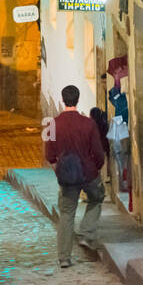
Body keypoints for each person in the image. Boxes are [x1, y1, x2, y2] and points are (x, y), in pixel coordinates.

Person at [44, 84, 106, 267]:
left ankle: (64, 257)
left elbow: (49, 154)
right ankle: (87, 233)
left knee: (67, 212)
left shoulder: (54, 124)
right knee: (97, 197)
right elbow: (98, 151)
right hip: (88, 172)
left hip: (67, 174)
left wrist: (59, 169)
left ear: (63, 100)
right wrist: (97, 167)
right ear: (78, 100)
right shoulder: (88, 123)